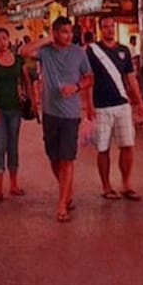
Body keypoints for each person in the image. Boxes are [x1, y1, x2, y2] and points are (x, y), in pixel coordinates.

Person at [20, 17, 92, 223]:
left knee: (67, 158)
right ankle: (66, 190)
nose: (68, 36)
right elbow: (24, 52)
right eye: (63, 32)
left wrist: (76, 87)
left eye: (70, 32)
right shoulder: (46, 52)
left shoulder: (79, 53)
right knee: (53, 157)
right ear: (55, 33)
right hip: (50, 113)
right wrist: (46, 39)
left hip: (71, 114)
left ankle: (61, 204)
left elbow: (89, 77)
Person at [85, 16, 143, 201]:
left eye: (111, 26)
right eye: (105, 27)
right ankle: (106, 186)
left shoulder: (123, 50)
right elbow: (88, 79)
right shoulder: (92, 51)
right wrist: (89, 106)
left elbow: (131, 78)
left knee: (127, 145)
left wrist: (139, 101)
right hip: (101, 106)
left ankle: (127, 184)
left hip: (122, 105)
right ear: (100, 29)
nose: (109, 30)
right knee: (103, 148)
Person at [0, 28, 31, 201]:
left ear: (9, 39)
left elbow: (26, 80)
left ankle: (13, 184)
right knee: (0, 146)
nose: (1, 42)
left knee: (13, 145)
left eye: (4, 38)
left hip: (15, 109)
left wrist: (31, 100)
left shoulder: (18, 60)